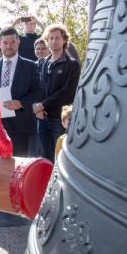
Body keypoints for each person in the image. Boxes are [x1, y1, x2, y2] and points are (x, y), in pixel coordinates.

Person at [0, 27, 43, 156]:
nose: (9, 46)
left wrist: (20, 103)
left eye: (13, 42)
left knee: (18, 165)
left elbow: (38, 92)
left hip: (21, 124)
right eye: (5, 42)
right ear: (0, 43)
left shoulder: (31, 66)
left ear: (19, 42)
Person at [32, 23, 81, 161]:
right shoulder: (42, 63)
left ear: (64, 39)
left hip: (59, 120)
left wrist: (43, 105)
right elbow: (38, 88)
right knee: (44, 158)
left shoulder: (72, 64)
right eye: (51, 38)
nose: (54, 41)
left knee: (60, 158)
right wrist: (38, 108)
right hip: (42, 118)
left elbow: (67, 92)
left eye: (57, 38)